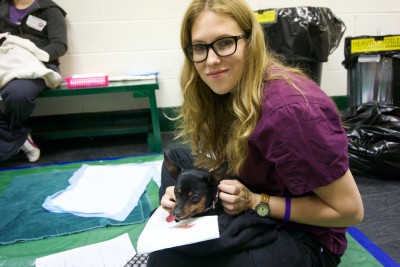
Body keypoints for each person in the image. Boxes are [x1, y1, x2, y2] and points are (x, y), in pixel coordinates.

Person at [148, 0, 364, 266]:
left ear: (251, 42)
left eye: (225, 42)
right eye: (200, 48)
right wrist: (176, 192)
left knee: (166, 259)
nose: (212, 60)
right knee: (177, 159)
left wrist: (254, 201)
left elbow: (349, 212)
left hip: (303, 236)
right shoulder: (229, 86)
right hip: (255, 187)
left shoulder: (291, 113)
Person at [0, 0, 67, 162]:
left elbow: (59, 45)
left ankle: (12, 137)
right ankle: (20, 138)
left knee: (17, 94)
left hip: (38, 65)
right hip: (5, 61)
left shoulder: (49, 9)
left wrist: (32, 55)